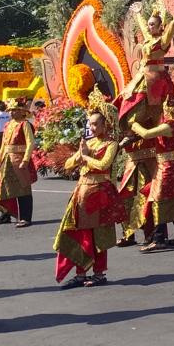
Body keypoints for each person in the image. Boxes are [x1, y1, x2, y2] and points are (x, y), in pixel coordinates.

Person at [53, 91, 127, 288]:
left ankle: (99, 273)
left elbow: (104, 164)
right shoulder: (89, 143)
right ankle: (80, 273)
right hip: (82, 192)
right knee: (80, 233)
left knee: (99, 235)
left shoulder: (111, 144)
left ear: (106, 125)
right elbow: (68, 165)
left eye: (96, 124)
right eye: (91, 124)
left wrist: (85, 157)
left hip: (100, 193)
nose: (92, 127)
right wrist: (79, 156)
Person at [129, 98, 174, 252]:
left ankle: (159, 238)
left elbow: (146, 134)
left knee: (157, 200)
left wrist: (133, 123)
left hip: (167, 167)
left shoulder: (170, 125)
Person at [116, 78, 168, 247]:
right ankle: (128, 233)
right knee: (126, 196)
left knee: (149, 197)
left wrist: (129, 137)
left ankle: (152, 233)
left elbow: (145, 132)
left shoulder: (156, 108)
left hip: (149, 159)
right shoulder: (130, 98)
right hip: (132, 160)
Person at [0, 99, 36, 227]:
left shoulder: (25, 124)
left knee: (23, 189)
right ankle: (5, 214)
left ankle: (25, 217)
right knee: (3, 187)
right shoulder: (8, 124)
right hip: (6, 160)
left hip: (19, 160)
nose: (11, 113)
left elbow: (30, 143)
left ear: (21, 111)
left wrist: (25, 160)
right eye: (10, 110)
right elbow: (4, 144)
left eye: (14, 110)